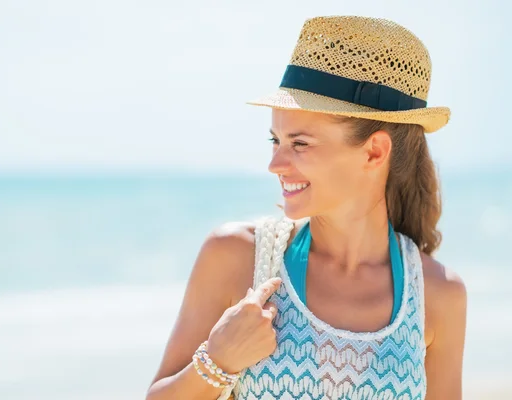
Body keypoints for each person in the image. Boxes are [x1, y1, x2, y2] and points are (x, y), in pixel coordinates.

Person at [146, 15, 467, 400]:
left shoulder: (437, 295)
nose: (275, 164)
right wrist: (218, 360)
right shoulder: (236, 258)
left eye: (299, 144)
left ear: (375, 151)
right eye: (275, 140)